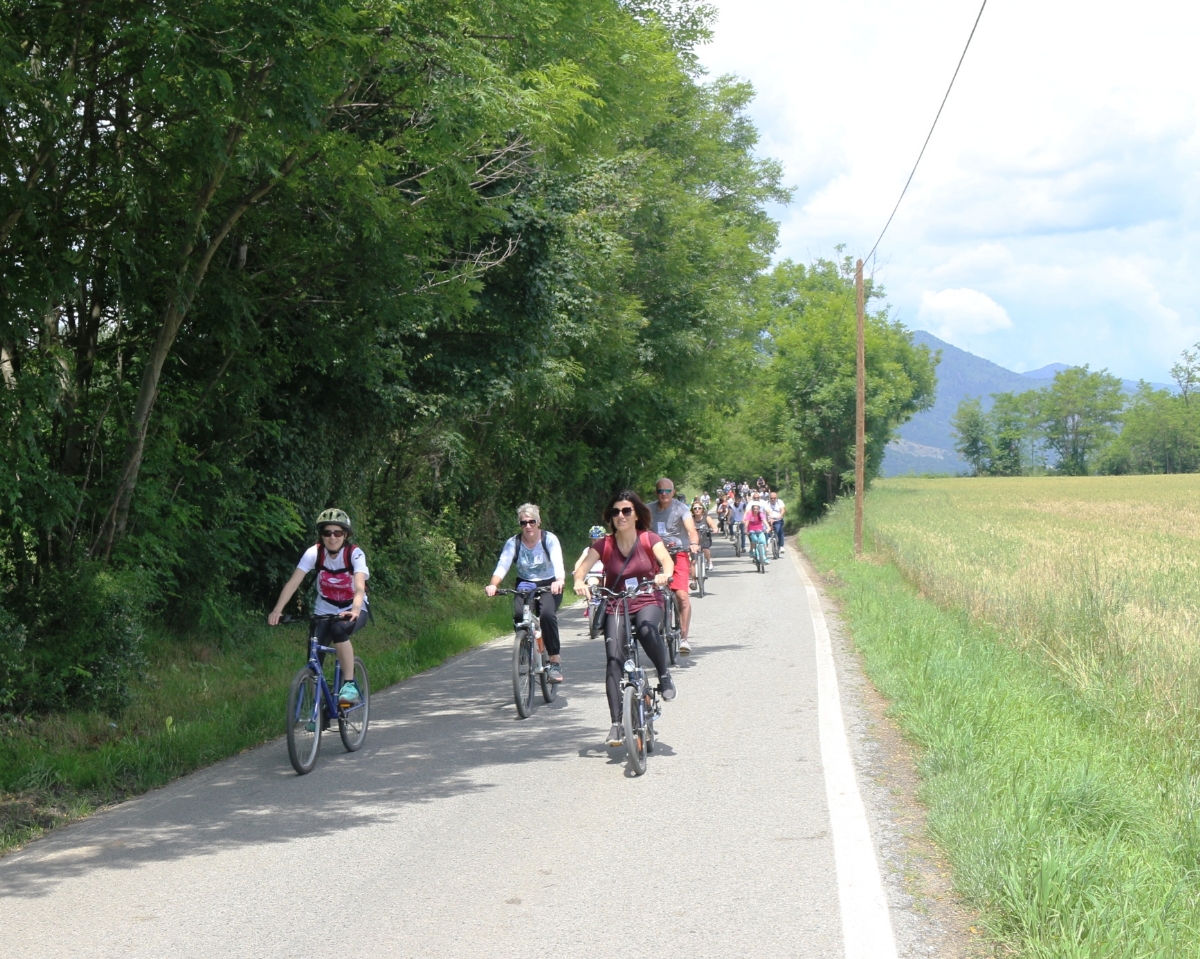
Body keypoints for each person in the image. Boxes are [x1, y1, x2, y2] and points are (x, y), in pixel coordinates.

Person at [573, 490, 677, 746]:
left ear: (636, 514)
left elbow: (666, 561)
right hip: (616, 603)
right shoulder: (604, 545)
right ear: (611, 517)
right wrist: (579, 582)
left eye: (626, 511)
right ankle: (617, 724)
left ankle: (664, 676)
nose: (621, 515)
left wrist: (664, 574)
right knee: (613, 660)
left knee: (645, 629)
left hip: (647, 598)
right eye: (616, 512)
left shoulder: (648, 538)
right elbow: (582, 569)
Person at [268, 508, 368, 706]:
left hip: (353, 607)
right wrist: (277, 609)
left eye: (337, 533)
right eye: (327, 533)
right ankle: (317, 707)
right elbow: (293, 582)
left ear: (345, 535)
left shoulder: (354, 554)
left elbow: (359, 586)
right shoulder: (314, 553)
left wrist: (355, 610)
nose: (332, 537)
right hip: (324, 609)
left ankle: (349, 685)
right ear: (321, 535)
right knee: (314, 660)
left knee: (339, 630)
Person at [486, 504, 566, 683]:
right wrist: (493, 585)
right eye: (524, 523)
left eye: (532, 521)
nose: (528, 526)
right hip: (525, 584)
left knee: (546, 615)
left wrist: (559, 580)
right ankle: (524, 647)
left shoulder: (549, 539)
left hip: (549, 584)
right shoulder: (513, 542)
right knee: (519, 614)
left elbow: (558, 561)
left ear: (539, 522)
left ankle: (554, 661)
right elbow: (503, 564)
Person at [648, 477, 700, 654]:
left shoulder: (681, 508)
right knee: (646, 594)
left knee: (682, 596)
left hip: (678, 553)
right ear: (656, 493)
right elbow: (638, 529)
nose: (664, 494)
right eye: (660, 491)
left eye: (667, 491)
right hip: (655, 555)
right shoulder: (648, 509)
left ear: (673, 492)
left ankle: (684, 638)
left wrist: (693, 543)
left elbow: (692, 530)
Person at [573, 525, 607, 618]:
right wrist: (576, 570)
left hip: (604, 573)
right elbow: (579, 562)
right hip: (593, 574)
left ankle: (607, 603)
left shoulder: (608, 549)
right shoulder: (588, 550)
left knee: (607, 584)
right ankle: (591, 603)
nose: (596, 542)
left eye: (599, 539)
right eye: (593, 539)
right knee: (592, 584)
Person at [690, 501, 718, 582]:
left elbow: (714, 526)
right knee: (693, 561)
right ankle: (694, 581)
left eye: (699, 508)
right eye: (695, 508)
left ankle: (709, 562)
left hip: (705, 538)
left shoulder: (706, 518)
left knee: (705, 549)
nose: (697, 510)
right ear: (692, 510)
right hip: (694, 541)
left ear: (702, 509)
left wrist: (714, 529)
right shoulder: (690, 519)